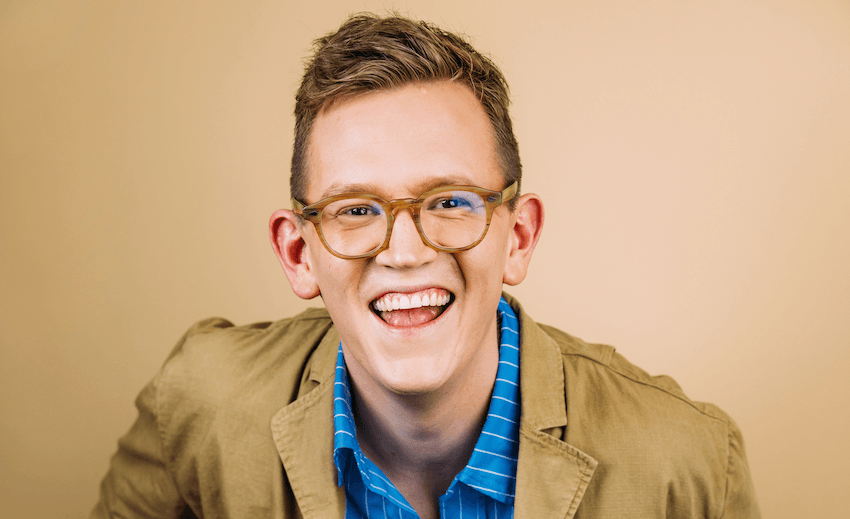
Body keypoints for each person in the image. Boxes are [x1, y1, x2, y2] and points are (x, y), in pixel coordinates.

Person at [91, 13, 760, 519]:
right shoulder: (194, 406)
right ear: (299, 254)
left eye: (450, 201)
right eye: (355, 209)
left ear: (518, 237)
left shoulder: (689, 466)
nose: (406, 251)